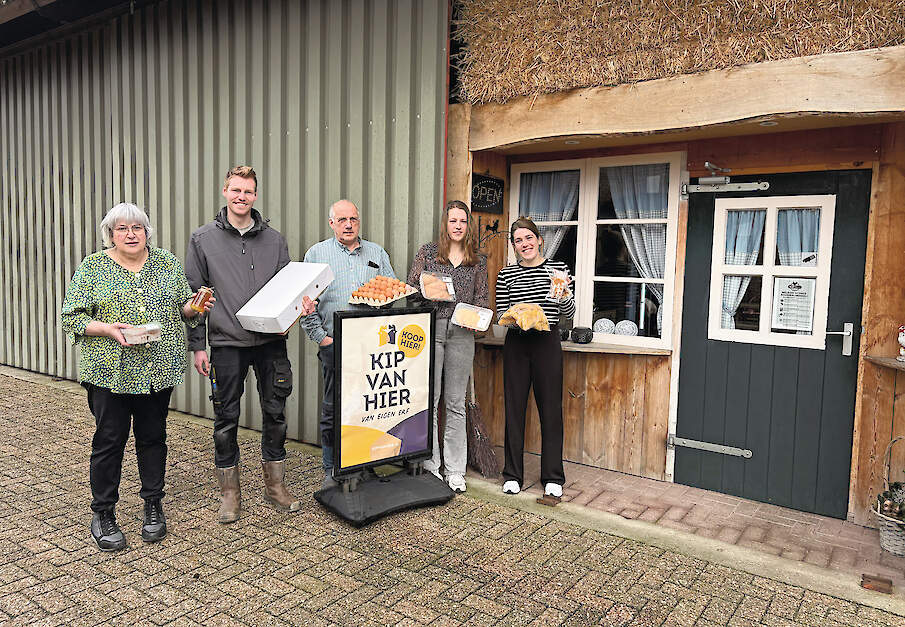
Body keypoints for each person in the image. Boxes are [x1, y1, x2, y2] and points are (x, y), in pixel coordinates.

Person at [61, 202, 214, 551]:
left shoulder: (166, 263)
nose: (131, 234)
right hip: (109, 372)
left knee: (152, 438)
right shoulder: (93, 267)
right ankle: (103, 513)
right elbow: (71, 316)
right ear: (110, 234)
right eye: (122, 228)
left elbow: (183, 308)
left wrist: (195, 306)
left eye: (137, 228)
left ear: (147, 232)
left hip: (157, 370)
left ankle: (153, 505)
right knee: (109, 441)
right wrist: (106, 328)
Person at [185, 165, 315, 524]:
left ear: (255, 196)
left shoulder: (274, 240)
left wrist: (302, 307)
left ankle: (275, 486)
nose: (241, 197)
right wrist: (198, 346)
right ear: (225, 191)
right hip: (227, 342)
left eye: (248, 191)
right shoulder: (202, 239)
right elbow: (194, 296)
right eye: (236, 190)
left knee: (275, 413)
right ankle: (230, 492)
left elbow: (290, 289)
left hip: (270, 343)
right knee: (226, 417)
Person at [302, 199, 396, 487]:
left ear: (359, 221)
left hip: (371, 347)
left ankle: (363, 464)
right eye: (342, 220)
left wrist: (383, 301)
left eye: (353, 219)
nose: (348, 225)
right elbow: (304, 304)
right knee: (334, 408)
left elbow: (392, 291)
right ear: (332, 223)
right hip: (335, 344)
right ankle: (331, 468)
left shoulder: (376, 253)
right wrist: (322, 339)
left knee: (369, 408)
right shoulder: (317, 254)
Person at [407, 200, 488, 492]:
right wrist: (430, 293)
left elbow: (482, 300)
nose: (458, 226)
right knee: (431, 399)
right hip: (432, 329)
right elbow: (411, 291)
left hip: (462, 333)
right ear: (445, 224)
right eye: (453, 221)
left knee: (455, 402)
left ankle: (455, 470)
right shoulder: (428, 253)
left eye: (463, 221)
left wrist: (477, 318)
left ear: (468, 226)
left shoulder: (478, 260)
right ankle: (432, 466)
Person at [495, 216, 575, 498]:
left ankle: (552, 476)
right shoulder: (506, 275)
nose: (525, 244)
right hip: (517, 343)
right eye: (518, 240)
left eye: (529, 238)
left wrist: (563, 296)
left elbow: (568, 313)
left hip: (547, 342)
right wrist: (517, 317)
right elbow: (501, 314)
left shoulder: (558, 270)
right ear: (514, 246)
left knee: (551, 410)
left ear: (539, 240)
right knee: (514, 409)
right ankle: (512, 475)